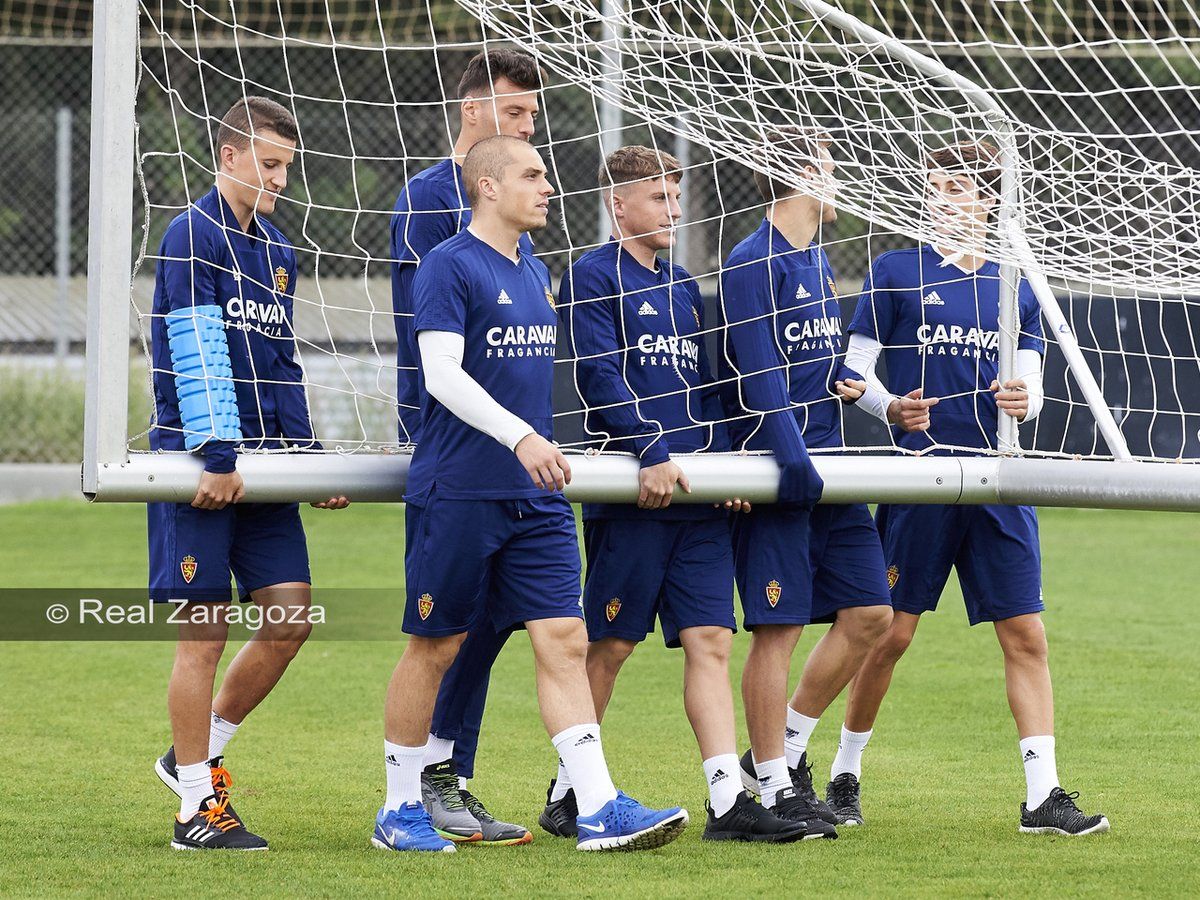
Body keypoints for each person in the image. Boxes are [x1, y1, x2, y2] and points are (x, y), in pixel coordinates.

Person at [374, 135, 688, 853]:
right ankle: (398, 810)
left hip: (536, 496)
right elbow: (442, 377)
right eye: (533, 174)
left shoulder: (536, 270)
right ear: (488, 186)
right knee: (435, 644)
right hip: (460, 492)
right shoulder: (449, 266)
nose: (548, 187)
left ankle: (599, 805)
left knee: (565, 639)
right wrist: (520, 436)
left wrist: (533, 447)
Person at [834, 139, 1109, 836]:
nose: (943, 198)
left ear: (989, 200)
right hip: (921, 476)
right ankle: (843, 773)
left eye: (957, 187)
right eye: (936, 185)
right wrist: (892, 407)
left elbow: (1034, 382)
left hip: (997, 478)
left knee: (1026, 633)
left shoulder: (1015, 278)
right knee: (889, 635)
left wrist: (1026, 402)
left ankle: (1042, 796)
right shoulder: (896, 269)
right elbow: (854, 372)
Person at [543, 145, 806, 843]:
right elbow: (600, 376)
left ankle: (727, 802)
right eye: (658, 198)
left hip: (697, 498)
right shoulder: (592, 277)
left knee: (712, 638)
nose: (673, 208)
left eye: (675, 196)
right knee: (612, 646)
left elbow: (715, 388)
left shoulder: (686, 286)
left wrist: (729, 464)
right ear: (618, 205)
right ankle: (570, 787)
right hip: (635, 497)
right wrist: (652, 452)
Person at [147, 96, 348, 851]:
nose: (280, 180)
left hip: (265, 471)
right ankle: (195, 809)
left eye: (288, 167)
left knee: (291, 618)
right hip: (205, 464)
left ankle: (192, 753)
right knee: (202, 633)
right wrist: (220, 458)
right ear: (228, 157)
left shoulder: (278, 250)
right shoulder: (191, 232)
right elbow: (192, 350)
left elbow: (282, 363)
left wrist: (305, 459)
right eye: (269, 164)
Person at [719, 127, 892, 835]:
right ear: (797, 178)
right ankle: (771, 789)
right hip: (782, 474)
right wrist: (792, 465)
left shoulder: (818, 260)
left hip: (830, 468)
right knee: (778, 631)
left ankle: (787, 755)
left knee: (871, 615)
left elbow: (815, 366)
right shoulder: (749, 261)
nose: (839, 178)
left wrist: (869, 395)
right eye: (828, 165)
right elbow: (759, 378)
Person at [388, 47, 542, 844]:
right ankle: (412, 790)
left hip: (511, 453)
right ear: (474, 110)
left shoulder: (523, 224)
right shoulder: (428, 206)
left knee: (496, 622)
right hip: (454, 445)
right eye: (515, 114)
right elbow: (436, 345)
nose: (527, 129)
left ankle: (450, 772)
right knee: (443, 628)